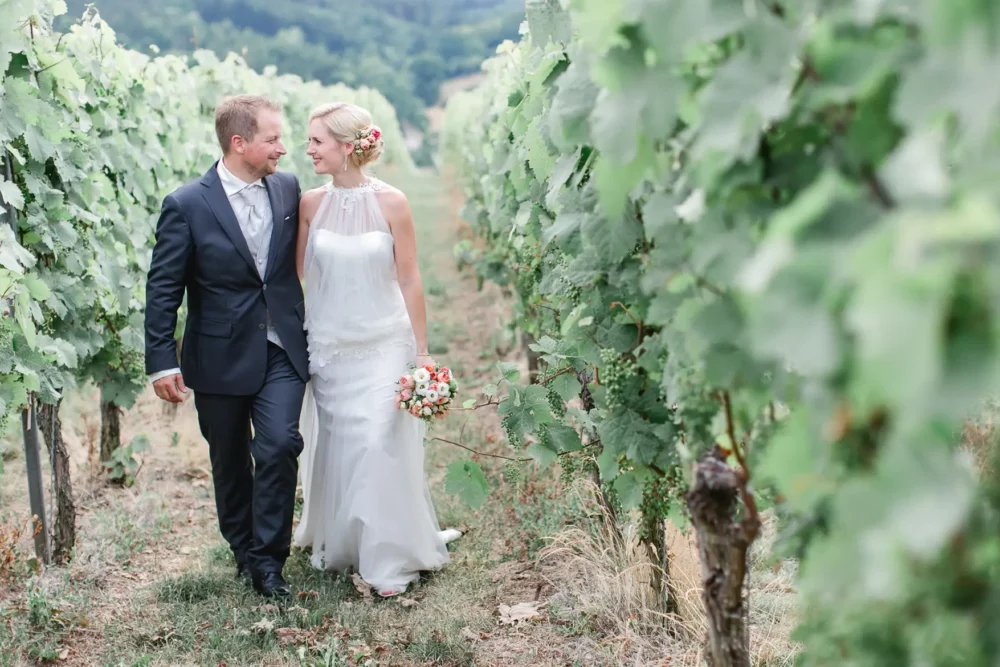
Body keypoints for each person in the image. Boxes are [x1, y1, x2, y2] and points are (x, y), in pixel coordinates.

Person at [292, 102, 461, 598]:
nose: (309, 149)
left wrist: (423, 353)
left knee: (375, 442)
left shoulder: (393, 203)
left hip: (384, 343)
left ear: (348, 147)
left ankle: (387, 561)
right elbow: (295, 277)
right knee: (339, 444)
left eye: (317, 141)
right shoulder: (309, 205)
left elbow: (409, 277)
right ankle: (346, 541)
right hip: (329, 346)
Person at [144, 95, 308, 599]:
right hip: (217, 355)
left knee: (279, 444)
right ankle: (244, 552)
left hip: (281, 346)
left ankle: (270, 561)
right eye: (272, 138)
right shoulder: (187, 204)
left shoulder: (287, 188)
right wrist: (160, 361)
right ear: (239, 143)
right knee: (230, 460)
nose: (283, 147)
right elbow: (163, 288)